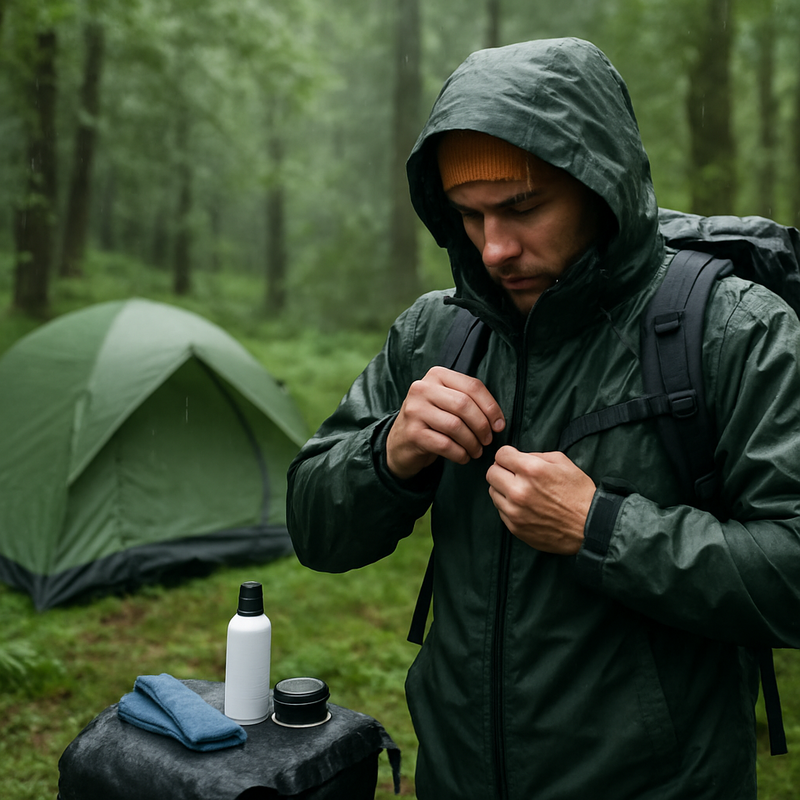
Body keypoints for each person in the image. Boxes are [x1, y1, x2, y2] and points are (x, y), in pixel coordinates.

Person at [286, 37, 800, 799]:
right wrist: (389, 453)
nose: (495, 248)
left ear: (599, 185)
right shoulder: (438, 333)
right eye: (468, 214)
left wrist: (601, 527)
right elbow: (314, 529)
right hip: (456, 776)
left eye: (523, 207)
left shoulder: (732, 329)